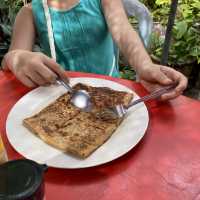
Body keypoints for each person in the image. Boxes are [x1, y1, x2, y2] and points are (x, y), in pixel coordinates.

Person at [2, 0, 187, 100]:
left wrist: (145, 66)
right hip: (63, 97)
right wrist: (18, 58)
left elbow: (122, 31)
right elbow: (9, 61)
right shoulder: (29, 13)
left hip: (110, 91)